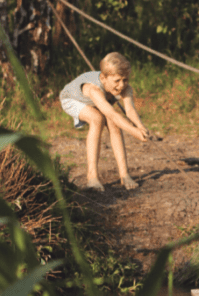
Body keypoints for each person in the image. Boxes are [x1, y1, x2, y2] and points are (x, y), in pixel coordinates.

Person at [60, 52, 150, 191]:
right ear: (103, 78)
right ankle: (92, 178)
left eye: (125, 80)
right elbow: (112, 114)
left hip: (100, 101)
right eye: (117, 81)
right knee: (97, 118)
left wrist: (141, 127)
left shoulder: (125, 88)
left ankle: (124, 175)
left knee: (115, 126)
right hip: (71, 99)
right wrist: (133, 131)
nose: (121, 85)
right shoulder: (94, 89)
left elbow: (130, 111)